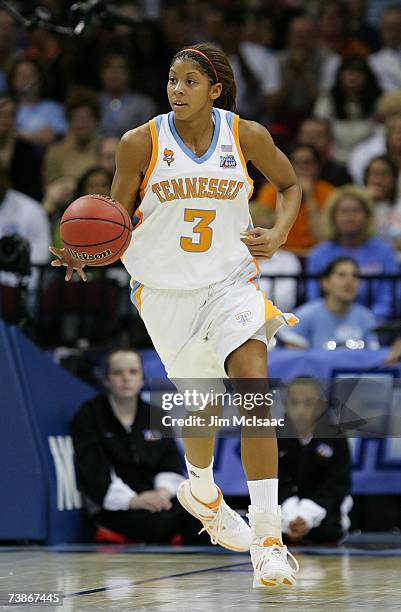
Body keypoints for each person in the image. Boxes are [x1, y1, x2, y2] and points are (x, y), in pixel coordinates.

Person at [50, 43, 302, 589]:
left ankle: (269, 539)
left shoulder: (245, 134)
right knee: (203, 406)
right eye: (171, 80)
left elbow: (290, 185)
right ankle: (202, 490)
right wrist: (85, 252)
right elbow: (116, 223)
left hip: (230, 283)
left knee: (255, 393)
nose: (177, 90)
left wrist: (278, 234)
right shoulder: (138, 142)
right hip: (164, 293)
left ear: (215, 90)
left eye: (190, 82)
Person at [71, 349, 207, 544]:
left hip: (159, 499)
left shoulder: (156, 415)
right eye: (118, 373)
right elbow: (94, 471)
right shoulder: (89, 415)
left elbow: (170, 463)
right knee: (159, 524)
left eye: (133, 372)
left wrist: (161, 493)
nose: (126, 378)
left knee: (201, 519)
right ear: (106, 380)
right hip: (116, 506)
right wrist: (133, 500)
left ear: (142, 379)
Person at [307, 185, 399, 321]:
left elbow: (389, 297)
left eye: (356, 211)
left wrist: (368, 323)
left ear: (367, 215)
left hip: (376, 326)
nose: (350, 217)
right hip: (327, 324)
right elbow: (314, 298)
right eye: (344, 211)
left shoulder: (384, 252)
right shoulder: (318, 255)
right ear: (333, 216)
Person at [279, 377, 352, 544]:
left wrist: (307, 515)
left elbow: (336, 483)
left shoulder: (335, 437)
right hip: (284, 511)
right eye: (294, 403)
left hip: (323, 510)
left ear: (320, 406)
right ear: (285, 404)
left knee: (328, 533)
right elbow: (277, 480)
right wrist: (291, 515)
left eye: (308, 403)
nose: (300, 410)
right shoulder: (276, 436)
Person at [280, 257, 380, 350]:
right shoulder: (305, 315)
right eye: (341, 275)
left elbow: (373, 354)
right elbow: (293, 356)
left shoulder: (367, 318)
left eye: (355, 276)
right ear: (325, 283)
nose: (349, 281)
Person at [257, 144, 334, 256]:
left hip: (317, 256)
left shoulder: (327, 192)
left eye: (308, 162)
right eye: (297, 162)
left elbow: (323, 238)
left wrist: (309, 195)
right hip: (278, 255)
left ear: (317, 166)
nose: (303, 167)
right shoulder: (270, 192)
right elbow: (264, 230)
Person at [313, 56, 382, 163]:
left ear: (367, 77)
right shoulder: (327, 99)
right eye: (349, 73)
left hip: (368, 155)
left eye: (358, 74)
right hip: (334, 155)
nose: (353, 78)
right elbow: (319, 128)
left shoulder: (377, 100)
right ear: (340, 76)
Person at [44, 88, 100, 185]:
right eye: (77, 117)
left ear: (96, 121)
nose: (83, 122)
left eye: (88, 116)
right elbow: (50, 189)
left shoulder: (106, 149)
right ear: (69, 121)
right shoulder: (55, 153)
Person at [7, 58, 67, 147]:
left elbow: (49, 138)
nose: (25, 78)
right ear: (13, 81)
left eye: (31, 74)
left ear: (40, 80)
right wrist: (35, 135)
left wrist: (13, 134)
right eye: (20, 74)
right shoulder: (5, 108)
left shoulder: (54, 108)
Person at [99, 52, 156, 138]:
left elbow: (148, 136)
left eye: (120, 67)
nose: (114, 72)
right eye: (108, 67)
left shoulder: (143, 104)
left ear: (129, 73)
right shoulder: (92, 102)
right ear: (102, 73)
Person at [0, 96, 42, 201]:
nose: (6, 118)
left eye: (11, 114)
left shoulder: (26, 150)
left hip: (20, 206)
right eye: (1, 113)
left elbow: (34, 188)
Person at [297, 117, 351, 187]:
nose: (311, 140)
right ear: (298, 138)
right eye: (307, 135)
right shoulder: (285, 167)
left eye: (318, 135)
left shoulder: (340, 174)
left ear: (329, 140)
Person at [364, 155, 401, 253]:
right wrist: (366, 201)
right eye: (375, 174)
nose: (379, 180)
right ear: (366, 178)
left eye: (384, 174)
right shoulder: (359, 204)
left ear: (394, 178)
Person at [369, 6, 401, 93]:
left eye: (398, 27)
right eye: (389, 27)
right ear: (381, 30)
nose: (394, 32)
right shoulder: (372, 62)